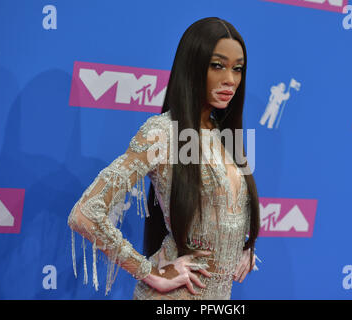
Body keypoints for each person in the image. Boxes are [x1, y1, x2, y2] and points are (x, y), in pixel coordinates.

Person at [67, 17, 261, 300]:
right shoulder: (163, 133)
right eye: (217, 65)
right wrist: (148, 272)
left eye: (238, 68)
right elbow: (85, 214)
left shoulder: (226, 136)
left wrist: (243, 248)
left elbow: (225, 215)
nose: (230, 79)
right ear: (193, 65)